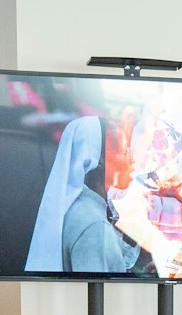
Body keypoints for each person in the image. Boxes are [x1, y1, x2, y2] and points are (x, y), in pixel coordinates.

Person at [23, 115, 138, 274]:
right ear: (99, 158)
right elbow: (106, 293)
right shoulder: (96, 228)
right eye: (124, 150)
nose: (132, 159)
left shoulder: (74, 207)